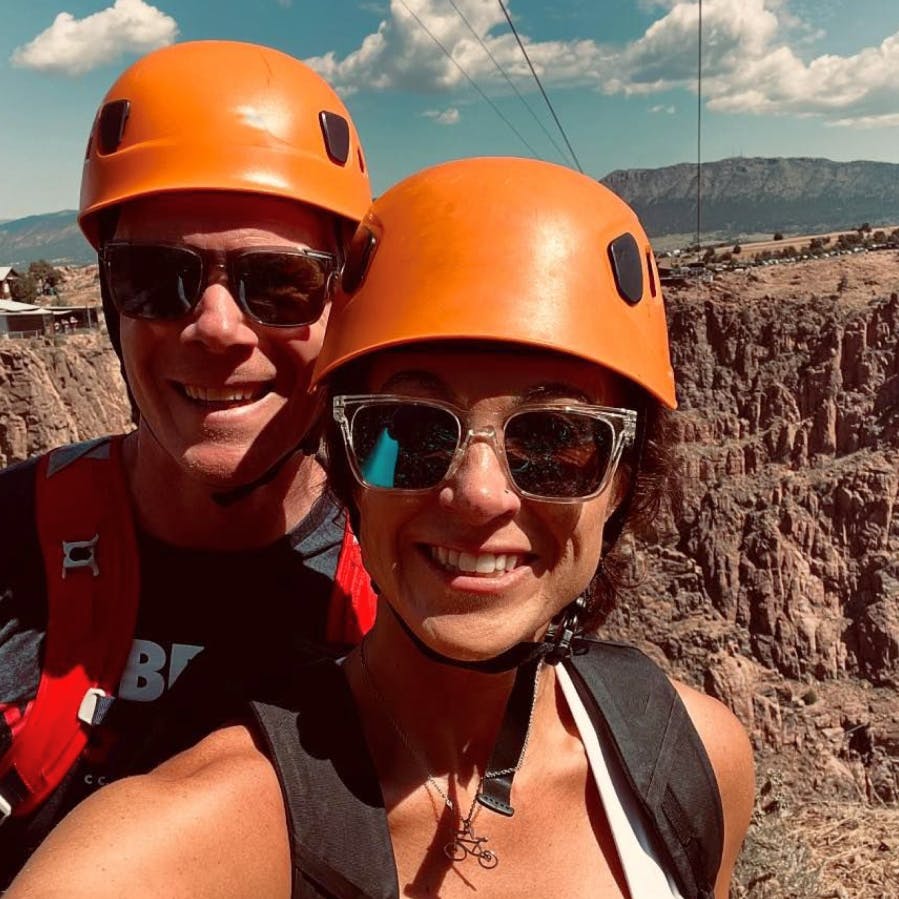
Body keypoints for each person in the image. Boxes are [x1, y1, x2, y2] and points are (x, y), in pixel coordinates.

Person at [7, 158, 754, 899]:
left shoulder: (691, 764)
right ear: (349, 467)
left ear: (623, 478)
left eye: (554, 442)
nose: (477, 494)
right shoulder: (197, 834)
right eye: (409, 432)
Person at [0, 40, 376, 885]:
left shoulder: (404, 587)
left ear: (339, 306)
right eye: (155, 278)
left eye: (278, 283)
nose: (215, 328)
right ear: (110, 303)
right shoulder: (9, 545)